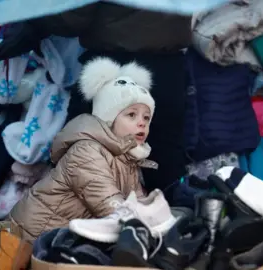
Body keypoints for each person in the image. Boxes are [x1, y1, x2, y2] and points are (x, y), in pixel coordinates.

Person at [0, 2, 190, 197]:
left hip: (114, 66)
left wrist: (32, 23)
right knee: (165, 168)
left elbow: (73, 15)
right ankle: (170, 221)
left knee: (77, 163)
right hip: (169, 65)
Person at [10, 57, 158, 242]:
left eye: (146, 118)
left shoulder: (126, 160)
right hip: (30, 236)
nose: (141, 123)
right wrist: (144, 224)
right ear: (108, 118)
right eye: (131, 115)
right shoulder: (87, 151)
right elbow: (108, 203)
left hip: (59, 238)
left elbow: (136, 202)